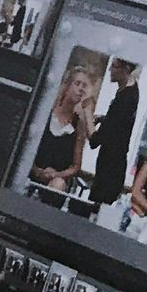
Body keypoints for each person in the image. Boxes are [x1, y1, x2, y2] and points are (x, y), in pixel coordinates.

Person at [87, 58, 142, 218]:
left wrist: (87, 114)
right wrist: (104, 119)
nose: (110, 69)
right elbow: (120, 122)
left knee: (96, 212)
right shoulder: (132, 91)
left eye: (114, 67)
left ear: (125, 68)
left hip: (109, 169)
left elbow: (94, 141)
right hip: (114, 164)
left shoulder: (124, 99)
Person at [28, 64, 96, 194]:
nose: (81, 89)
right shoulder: (46, 113)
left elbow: (76, 167)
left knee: (58, 185)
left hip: (55, 181)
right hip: (31, 171)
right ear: (67, 85)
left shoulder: (78, 125)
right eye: (77, 84)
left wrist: (56, 175)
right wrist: (36, 170)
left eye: (84, 86)